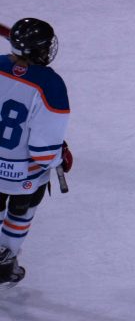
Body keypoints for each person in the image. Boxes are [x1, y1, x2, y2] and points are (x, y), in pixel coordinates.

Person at [0, 18, 71, 288]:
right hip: (22, 172)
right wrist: (59, 157)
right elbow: (43, 149)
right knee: (21, 210)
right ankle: (4, 262)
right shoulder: (50, 84)